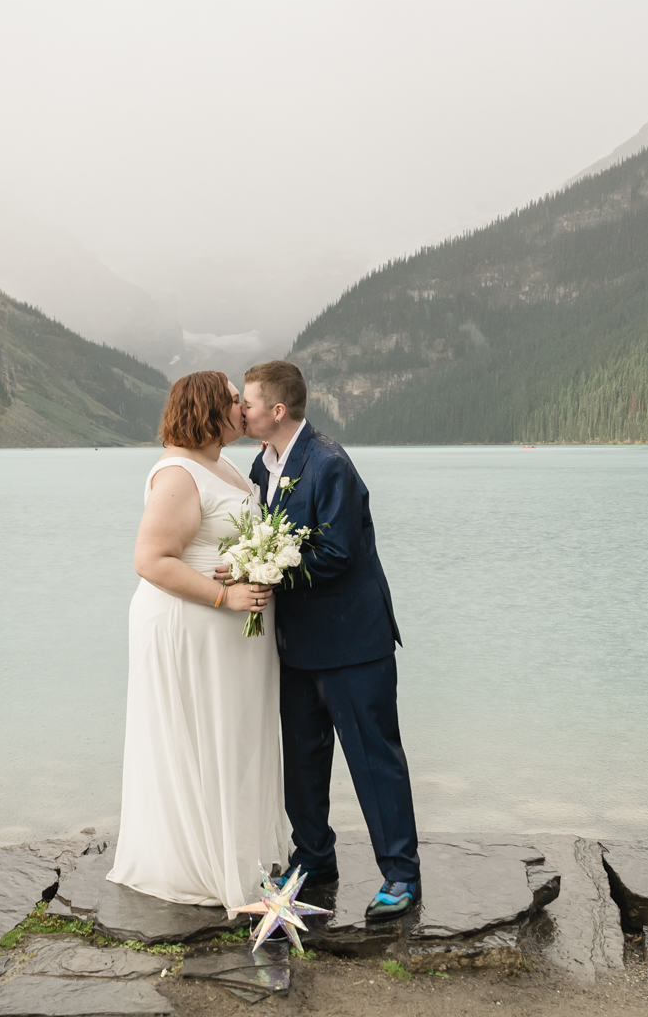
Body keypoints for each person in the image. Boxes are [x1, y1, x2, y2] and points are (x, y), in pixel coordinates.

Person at [225, 359, 421, 921]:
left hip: (354, 644)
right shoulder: (260, 468)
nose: (242, 409)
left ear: (277, 410)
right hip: (294, 645)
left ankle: (402, 875)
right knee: (303, 759)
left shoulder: (329, 463)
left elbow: (338, 554)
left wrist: (263, 570)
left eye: (249, 401)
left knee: (374, 759)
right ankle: (314, 857)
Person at [108, 371, 287, 909]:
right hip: (192, 627)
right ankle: (206, 867)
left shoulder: (223, 463)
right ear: (210, 408)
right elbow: (150, 560)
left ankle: (238, 854)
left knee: (233, 736)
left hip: (232, 634)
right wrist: (224, 598)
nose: (243, 407)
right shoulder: (177, 472)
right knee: (205, 735)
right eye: (234, 400)